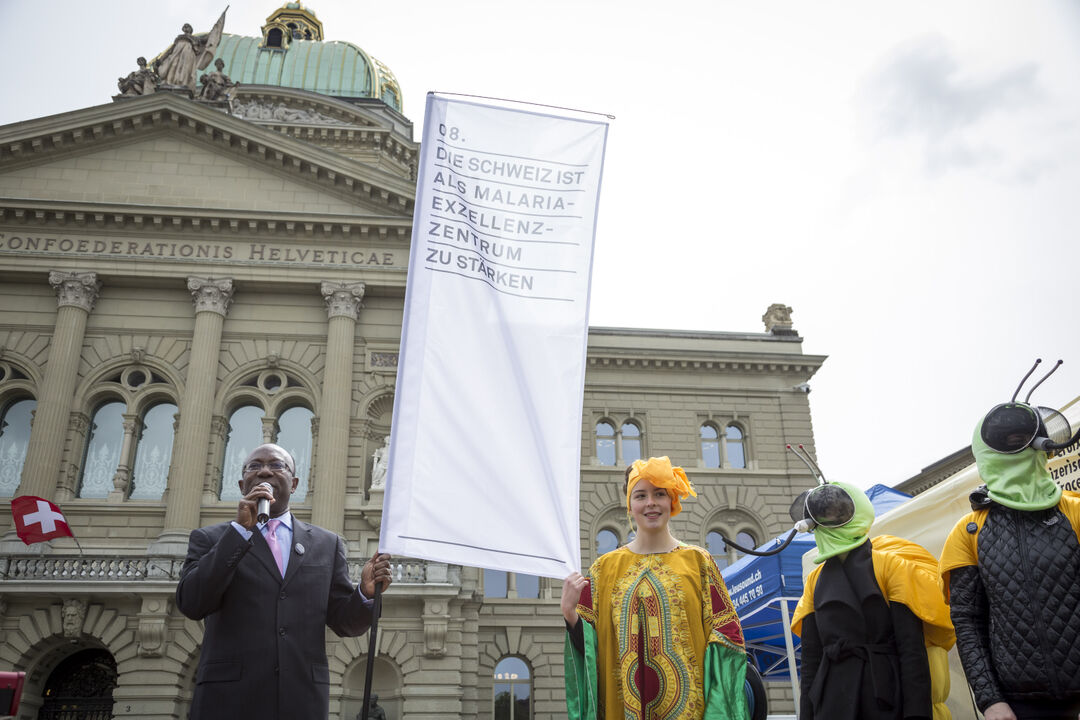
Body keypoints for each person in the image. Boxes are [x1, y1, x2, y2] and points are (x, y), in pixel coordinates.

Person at [176, 443, 392, 719]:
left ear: (295, 483)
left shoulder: (326, 544)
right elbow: (192, 602)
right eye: (255, 466)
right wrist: (240, 532)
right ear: (243, 484)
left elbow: (343, 621)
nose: (265, 471)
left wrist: (365, 593)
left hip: (301, 702)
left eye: (277, 465)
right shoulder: (212, 539)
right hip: (228, 702)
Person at [561, 456, 747, 719]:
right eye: (640, 495)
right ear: (629, 504)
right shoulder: (604, 569)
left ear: (672, 501)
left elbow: (727, 637)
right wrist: (570, 613)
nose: (650, 502)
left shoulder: (698, 561)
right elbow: (589, 651)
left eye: (659, 494)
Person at [939, 413, 1080, 720]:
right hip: (1020, 704)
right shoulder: (969, 532)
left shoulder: (1076, 512)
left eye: (1023, 438)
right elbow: (968, 622)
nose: (1019, 446)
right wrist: (990, 699)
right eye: (1009, 440)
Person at [790, 481, 954, 720]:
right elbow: (810, 660)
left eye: (836, 511)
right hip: (832, 699)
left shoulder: (891, 565)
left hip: (886, 693)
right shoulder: (815, 580)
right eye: (822, 513)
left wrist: (917, 715)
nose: (828, 518)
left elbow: (911, 650)